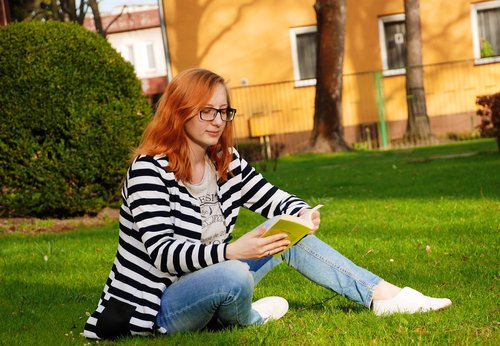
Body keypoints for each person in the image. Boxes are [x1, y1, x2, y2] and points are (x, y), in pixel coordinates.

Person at [83, 68, 452, 340]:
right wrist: (232, 251)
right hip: (160, 303)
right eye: (206, 111)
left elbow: (271, 196)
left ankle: (381, 295)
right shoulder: (149, 170)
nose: (216, 121)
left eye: (223, 111)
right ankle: (246, 317)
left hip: (219, 271)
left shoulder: (224, 160)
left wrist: (300, 213)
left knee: (281, 232)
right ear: (179, 111)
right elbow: (163, 253)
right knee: (233, 274)